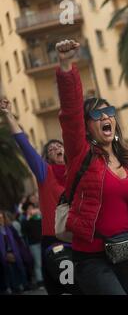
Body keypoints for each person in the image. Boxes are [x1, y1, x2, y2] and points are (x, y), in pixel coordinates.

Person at [55, 39, 128, 295]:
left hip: (127, 252)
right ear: (87, 127)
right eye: (96, 115)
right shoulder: (81, 154)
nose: (105, 117)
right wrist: (67, 65)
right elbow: (70, 114)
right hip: (91, 258)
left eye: (109, 111)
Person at [0, 97, 79, 295]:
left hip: (81, 238)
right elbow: (24, 145)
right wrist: (8, 115)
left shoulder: (79, 172)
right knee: (66, 288)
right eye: (51, 149)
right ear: (47, 158)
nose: (56, 148)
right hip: (56, 242)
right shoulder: (46, 173)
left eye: (59, 146)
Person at [0, 210, 28, 294]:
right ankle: (11, 287)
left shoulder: (10, 227)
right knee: (8, 271)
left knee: (18, 268)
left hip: (14, 252)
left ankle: (21, 285)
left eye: (1, 217)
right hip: (3, 254)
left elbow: (18, 240)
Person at [21, 201, 43, 287]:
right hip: (33, 244)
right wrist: (28, 218)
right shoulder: (25, 220)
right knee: (38, 263)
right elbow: (23, 231)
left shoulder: (37, 217)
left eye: (32, 208)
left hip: (41, 241)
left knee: (44, 261)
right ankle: (40, 281)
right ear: (25, 210)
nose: (31, 210)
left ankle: (46, 279)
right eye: (29, 208)